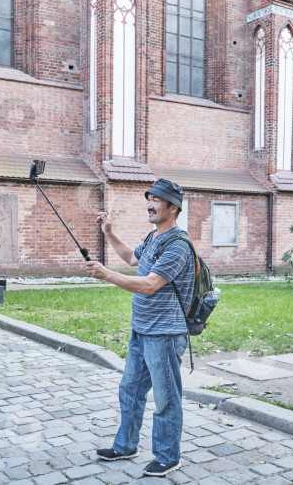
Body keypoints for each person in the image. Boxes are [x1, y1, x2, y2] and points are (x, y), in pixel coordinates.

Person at [84, 178, 195, 478]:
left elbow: (148, 285)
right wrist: (109, 233)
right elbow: (132, 258)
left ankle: (168, 456)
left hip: (164, 334)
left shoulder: (179, 246)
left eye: (156, 200)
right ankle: (125, 446)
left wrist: (106, 275)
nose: (149, 204)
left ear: (173, 207)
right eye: (149, 198)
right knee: (130, 390)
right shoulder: (153, 238)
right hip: (142, 329)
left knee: (166, 398)